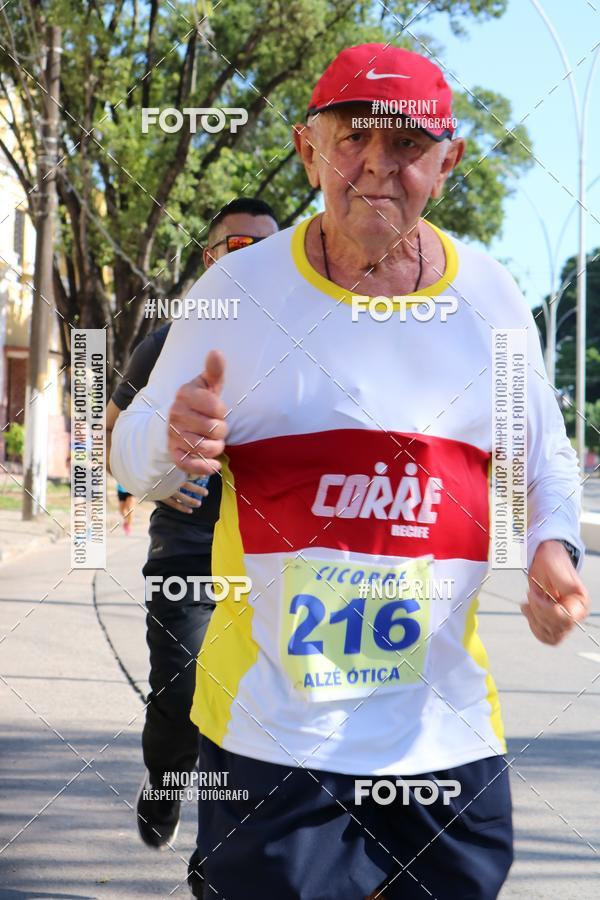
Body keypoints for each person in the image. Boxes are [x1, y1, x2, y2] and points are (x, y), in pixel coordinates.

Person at [110, 44, 590, 900]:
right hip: (276, 743)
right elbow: (130, 449)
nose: (376, 166)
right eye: (352, 138)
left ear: (448, 163)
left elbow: (545, 452)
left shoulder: (490, 297)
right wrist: (171, 438)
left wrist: (554, 545)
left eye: (406, 145)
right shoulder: (241, 296)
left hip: (443, 745)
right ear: (308, 150)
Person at [106, 197, 279, 850]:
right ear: (210, 258)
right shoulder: (170, 338)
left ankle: (216, 855)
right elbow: (114, 427)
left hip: (272, 563)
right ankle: (164, 777)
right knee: (179, 701)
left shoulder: (301, 346)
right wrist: (150, 474)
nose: (258, 260)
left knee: (248, 720)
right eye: (240, 247)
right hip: (190, 555)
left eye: (272, 247)